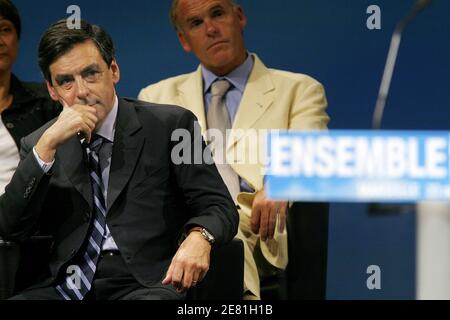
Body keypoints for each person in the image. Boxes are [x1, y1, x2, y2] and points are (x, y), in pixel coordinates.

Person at [0, 19, 238, 300]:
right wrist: (45, 149)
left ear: (113, 70)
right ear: (51, 90)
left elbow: (219, 205)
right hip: (65, 287)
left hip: (147, 284)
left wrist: (201, 236)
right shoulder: (41, 143)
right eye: (65, 81)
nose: (82, 91)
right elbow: (9, 227)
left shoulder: (172, 125)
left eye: (90, 74)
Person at [138, 0, 329, 299]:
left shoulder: (299, 89)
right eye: (196, 23)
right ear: (183, 40)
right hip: (182, 222)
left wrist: (279, 181)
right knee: (211, 223)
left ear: (239, 17)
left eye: (217, 14)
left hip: (256, 222)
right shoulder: (156, 96)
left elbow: (311, 149)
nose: (211, 29)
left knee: (221, 228)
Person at [0, 0, 61, 195]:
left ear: (17, 39)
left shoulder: (45, 102)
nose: (0, 40)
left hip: (26, 221)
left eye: (5, 30)